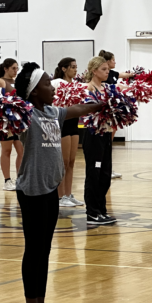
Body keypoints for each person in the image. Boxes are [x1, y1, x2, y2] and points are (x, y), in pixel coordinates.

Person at [14, 62, 101, 303]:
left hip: (51, 190)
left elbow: (77, 109)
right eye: (46, 84)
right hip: (32, 191)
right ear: (33, 91)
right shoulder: (26, 115)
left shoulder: (52, 112)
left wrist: (102, 104)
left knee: (45, 249)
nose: (52, 88)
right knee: (34, 249)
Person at [83, 57, 117, 225]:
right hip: (93, 134)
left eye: (107, 69)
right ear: (94, 71)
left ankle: (101, 210)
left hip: (106, 134)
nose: (107, 71)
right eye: (104, 69)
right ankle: (92, 212)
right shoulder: (87, 88)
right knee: (94, 174)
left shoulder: (107, 88)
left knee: (105, 175)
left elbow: (122, 88)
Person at [51, 57, 84, 207]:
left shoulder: (76, 85)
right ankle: (59, 196)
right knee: (62, 162)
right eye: (72, 67)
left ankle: (68, 194)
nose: (75, 70)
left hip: (74, 123)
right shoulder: (57, 82)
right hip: (62, 122)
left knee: (71, 161)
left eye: (76, 67)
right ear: (64, 69)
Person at [97, 50, 132, 179]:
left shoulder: (113, 74)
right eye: (113, 60)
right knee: (105, 143)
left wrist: (138, 75)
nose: (115, 62)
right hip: (104, 113)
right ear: (106, 61)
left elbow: (125, 75)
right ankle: (103, 168)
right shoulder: (103, 76)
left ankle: (108, 168)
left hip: (113, 113)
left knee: (109, 143)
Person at [0, 58, 23, 191]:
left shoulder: (19, 82)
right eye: (13, 68)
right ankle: (7, 181)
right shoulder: (0, 82)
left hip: (18, 121)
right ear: (6, 69)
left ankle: (20, 179)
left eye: (17, 68)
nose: (16, 71)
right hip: (5, 121)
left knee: (22, 151)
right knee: (7, 150)